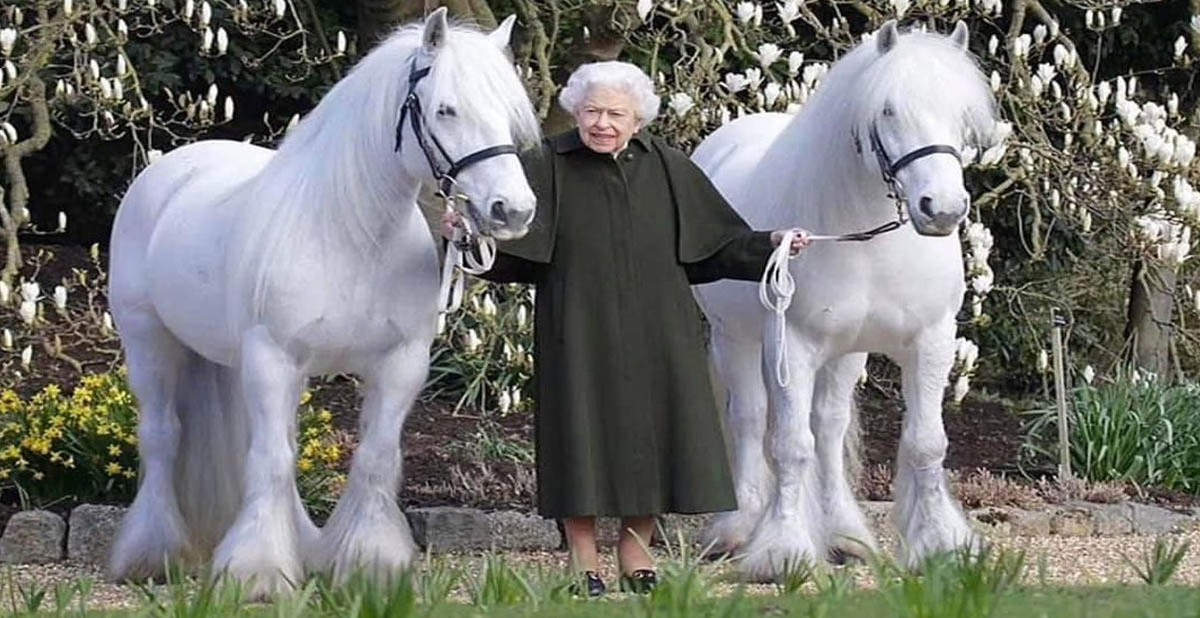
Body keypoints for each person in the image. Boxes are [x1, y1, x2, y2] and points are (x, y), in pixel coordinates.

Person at [443, 61, 810, 596]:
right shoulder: (545, 163)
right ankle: (583, 559)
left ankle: (636, 549)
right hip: (576, 325)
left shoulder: (668, 166)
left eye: (616, 113)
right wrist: (468, 238)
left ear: (638, 118)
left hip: (660, 328)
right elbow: (514, 255)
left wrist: (773, 243)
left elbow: (717, 245)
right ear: (575, 111)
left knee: (656, 437)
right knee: (578, 438)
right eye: (592, 111)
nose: (602, 123)